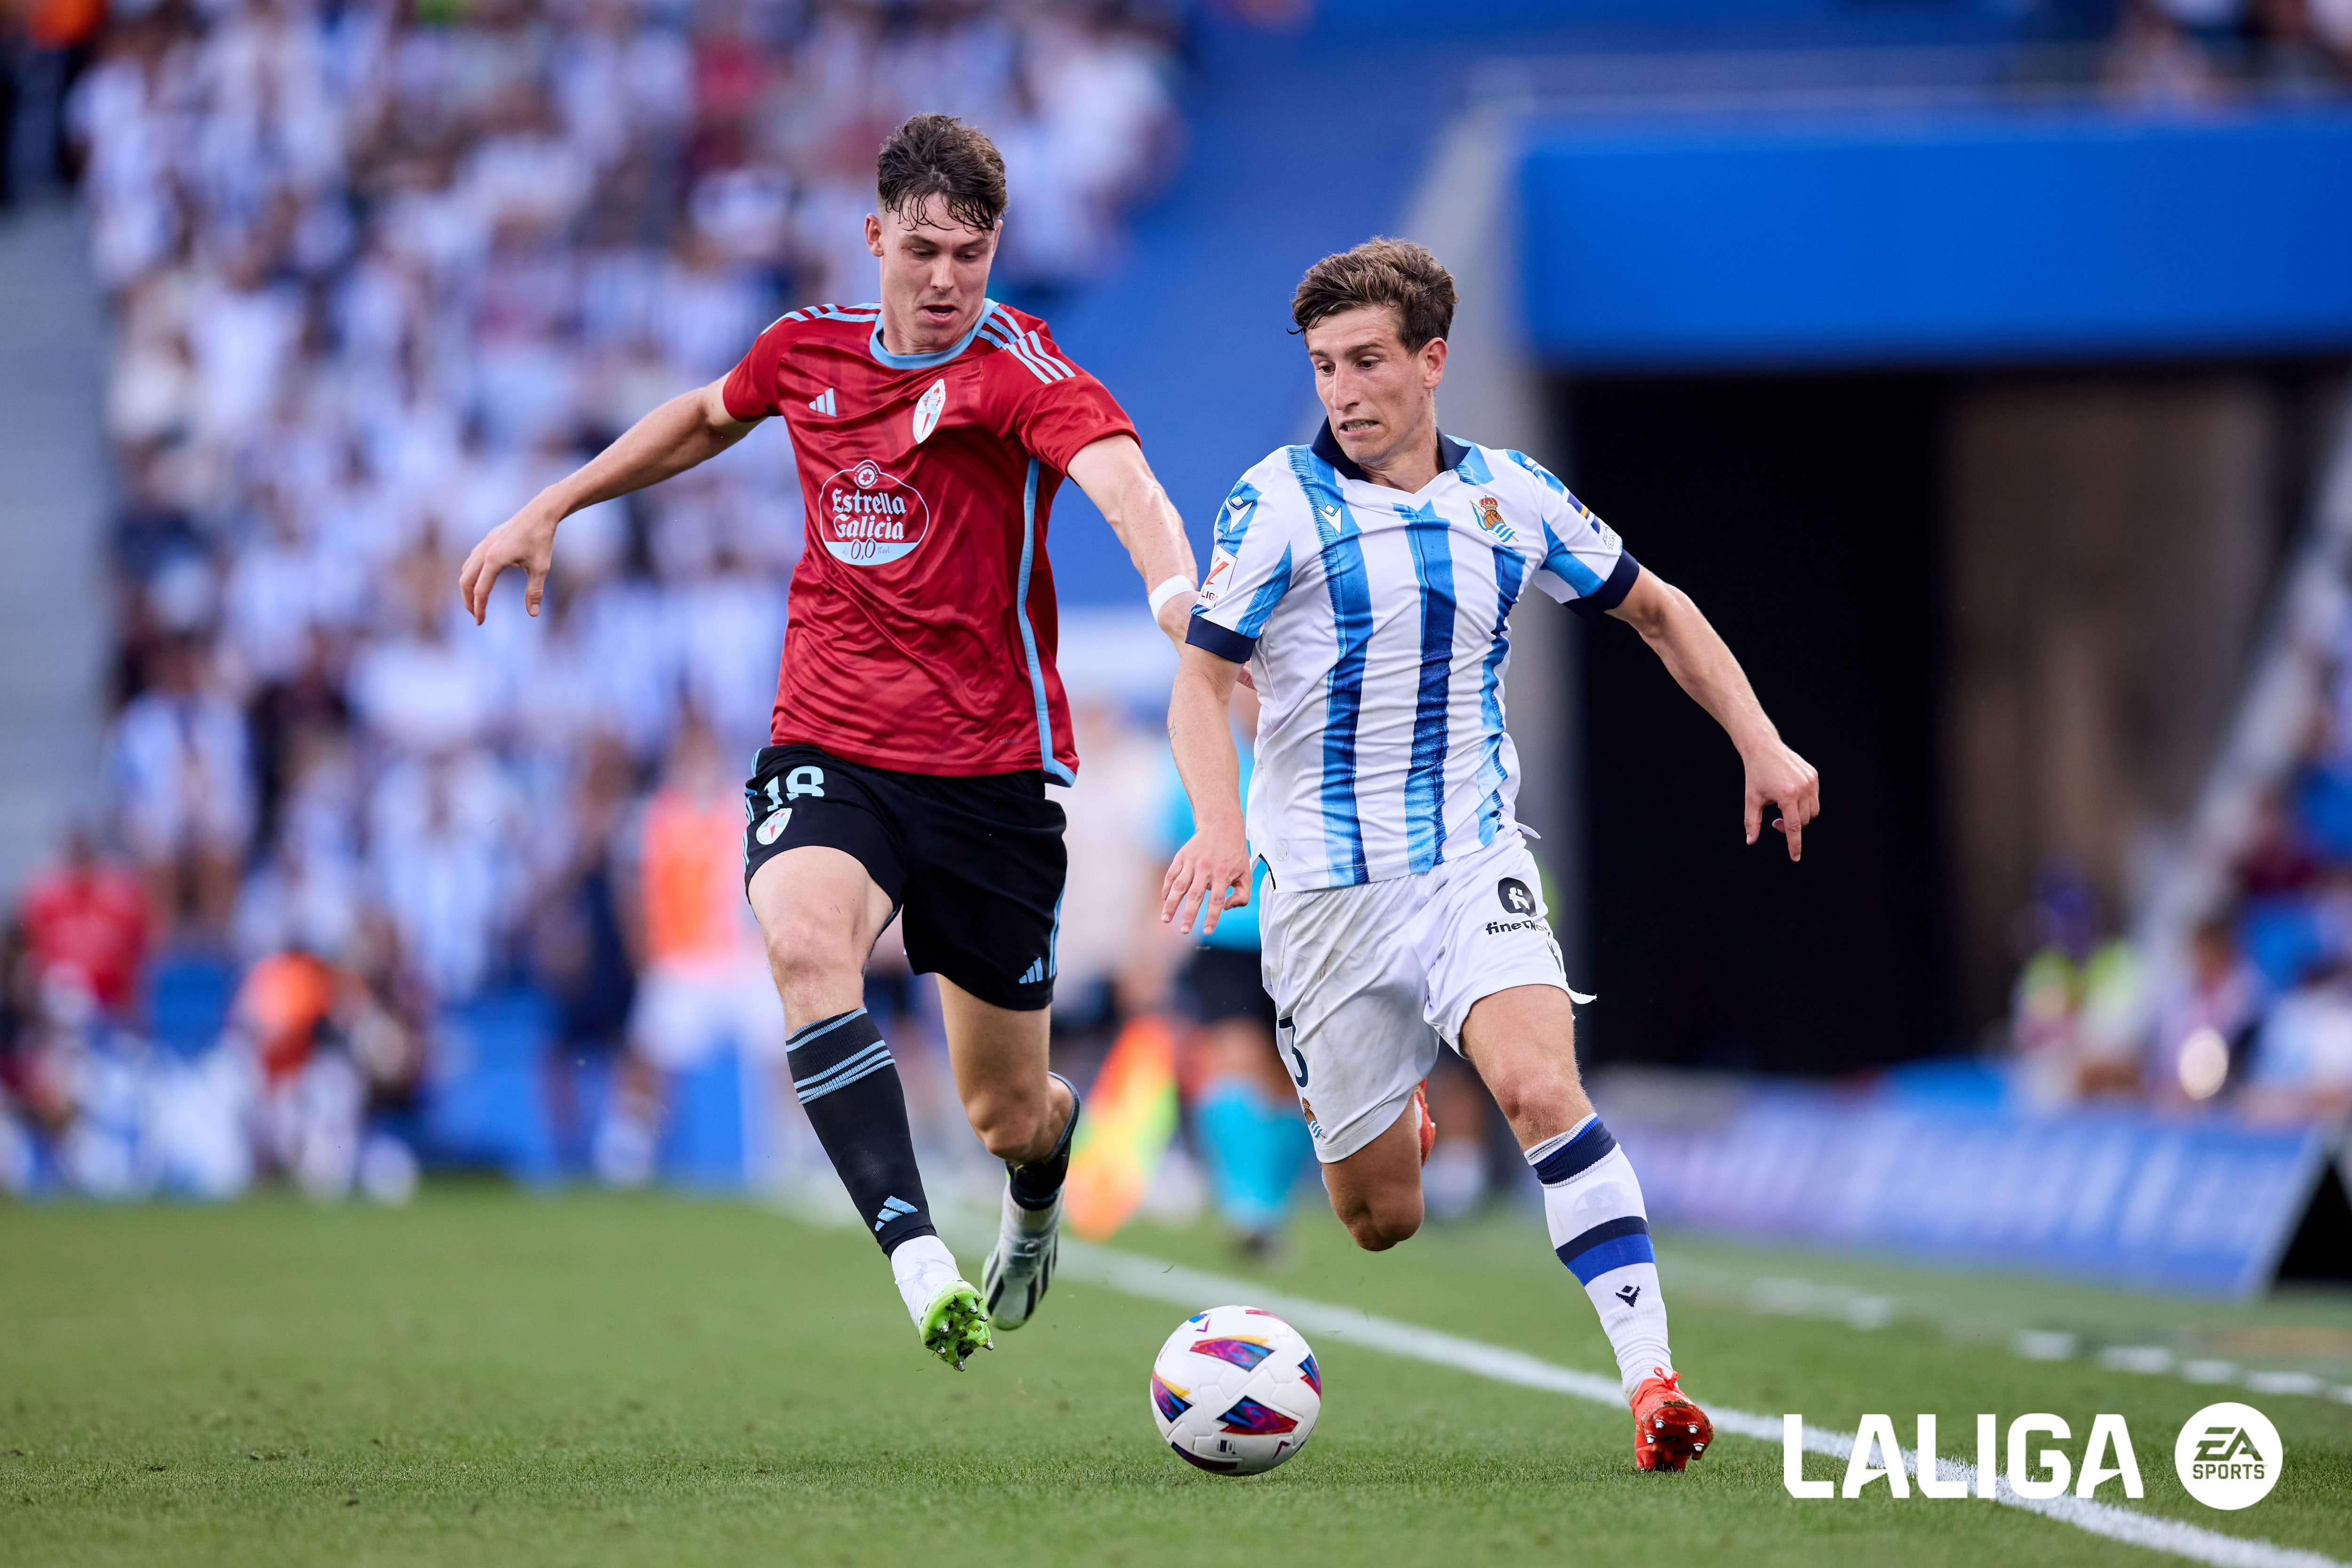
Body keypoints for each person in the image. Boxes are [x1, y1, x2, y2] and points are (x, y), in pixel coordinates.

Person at [459, 114, 1197, 1368]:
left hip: (990, 771)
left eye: (971, 252)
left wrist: (1178, 596)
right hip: (834, 739)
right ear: (875, 238)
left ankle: (1034, 1190)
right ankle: (918, 1258)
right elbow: (705, 415)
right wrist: (557, 501)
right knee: (803, 940)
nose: (947, 276)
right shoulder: (804, 351)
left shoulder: (1023, 371)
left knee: (1005, 1106)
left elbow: (1124, 480)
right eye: (922, 249)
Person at [1161, 239, 1820, 1472]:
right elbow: (1200, 682)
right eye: (1323, 366)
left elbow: (1658, 607)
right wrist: (1219, 816)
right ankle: (1396, 1094)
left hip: (1471, 860)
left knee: (1538, 1088)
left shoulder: (1511, 495)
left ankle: (1655, 1384)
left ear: (1432, 359)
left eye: (1367, 360)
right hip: (1324, 901)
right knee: (1378, 1218)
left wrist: (1763, 741)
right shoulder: (1276, 502)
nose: (1345, 390)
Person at [1156, 683, 1311, 1257]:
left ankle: (1269, 1207)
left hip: (1303, 941)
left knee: (1286, 1080)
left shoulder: (1313, 760)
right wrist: (1153, 945)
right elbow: (1164, 863)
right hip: (1228, 941)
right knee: (1232, 1060)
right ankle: (1247, 1205)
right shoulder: (1208, 764)